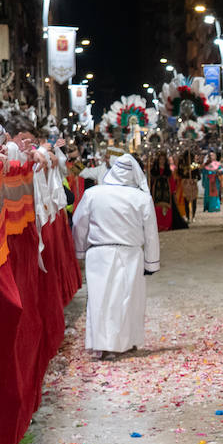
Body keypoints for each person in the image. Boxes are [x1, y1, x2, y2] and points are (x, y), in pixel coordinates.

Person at [71, 154, 161, 359]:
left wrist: (80, 250)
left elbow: (79, 223)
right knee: (128, 298)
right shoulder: (142, 198)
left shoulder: (93, 194)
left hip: (99, 254)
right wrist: (151, 263)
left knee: (100, 299)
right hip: (131, 254)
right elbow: (150, 233)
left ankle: (102, 345)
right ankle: (126, 341)